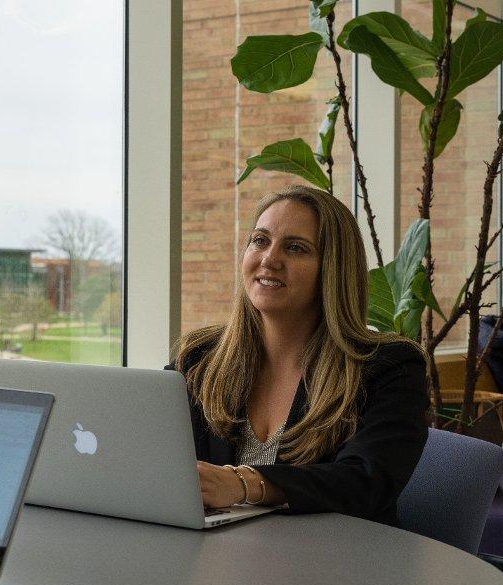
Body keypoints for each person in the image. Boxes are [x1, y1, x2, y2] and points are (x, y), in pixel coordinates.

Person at [169, 185, 428, 525]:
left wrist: (245, 484)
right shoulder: (198, 359)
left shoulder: (388, 367)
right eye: (260, 240)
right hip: (216, 560)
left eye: (295, 248)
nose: (270, 259)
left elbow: (366, 483)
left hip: (335, 563)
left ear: (333, 270)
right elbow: (153, 454)